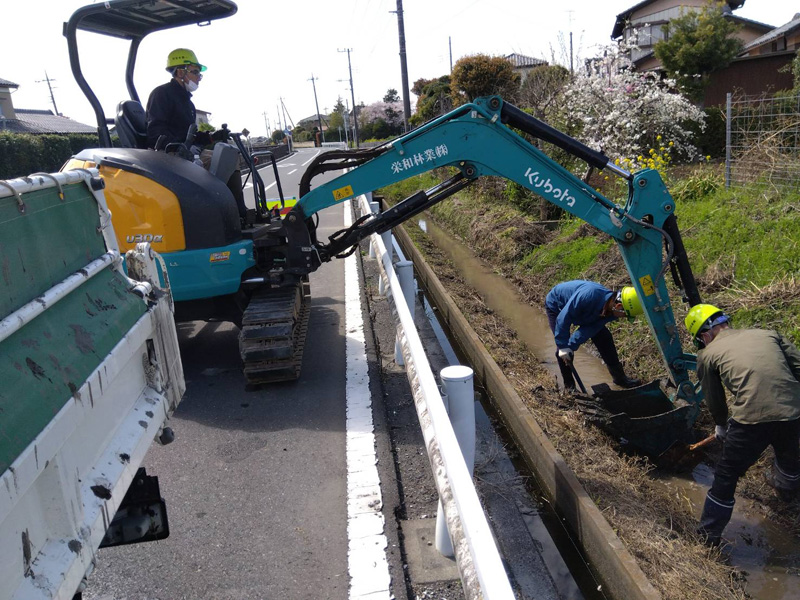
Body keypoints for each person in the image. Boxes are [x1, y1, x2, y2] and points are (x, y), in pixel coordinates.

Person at [686, 304, 800, 546]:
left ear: (704, 335)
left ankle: (707, 538)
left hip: (751, 420)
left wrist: (720, 426)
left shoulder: (707, 354)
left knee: (727, 474)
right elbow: (798, 367)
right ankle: (788, 494)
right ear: (724, 322)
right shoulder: (767, 333)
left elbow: (714, 398)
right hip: (793, 412)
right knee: (789, 454)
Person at [145, 49, 248, 223]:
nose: (199, 77)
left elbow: (190, 134)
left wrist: (213, 137)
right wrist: (180, 146)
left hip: (185, 151)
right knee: (217, 161)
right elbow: (155, 131)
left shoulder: (187, 102)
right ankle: (224, 216)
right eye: (195, 72)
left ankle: (236, 213)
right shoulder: (161, 95)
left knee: (230, 156)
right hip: (167, 154)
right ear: (180, 72)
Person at [545, 280, 643, 391]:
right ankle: (570, 387)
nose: (623, 318)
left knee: (604, 337)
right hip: (557, 305)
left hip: (586, 312)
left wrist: (572, 346)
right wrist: (564, 346)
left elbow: (590, 329)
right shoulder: (589, 296)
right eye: (625, 315)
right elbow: (563, 318)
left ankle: (620, 378)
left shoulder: (612, 310)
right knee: (563, 350)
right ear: (619, 306)